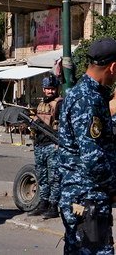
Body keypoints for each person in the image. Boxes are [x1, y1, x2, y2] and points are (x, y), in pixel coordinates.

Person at [58, 38, 116, 254]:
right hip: (88, 197)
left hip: (81, 195)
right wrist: (113, 186)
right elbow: (93, 157)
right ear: (113, 67)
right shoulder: (88, 99)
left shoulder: (82, 94)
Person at [27, 75, 62, 219]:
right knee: (42, 176)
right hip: (40, 145)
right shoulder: (41, 104)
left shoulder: (59, 104)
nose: (49, 92)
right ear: (43, 89)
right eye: (47, 89)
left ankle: (53, 206)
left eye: (52, 89)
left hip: (52, 145)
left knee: (53, 177)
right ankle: (44, 203)